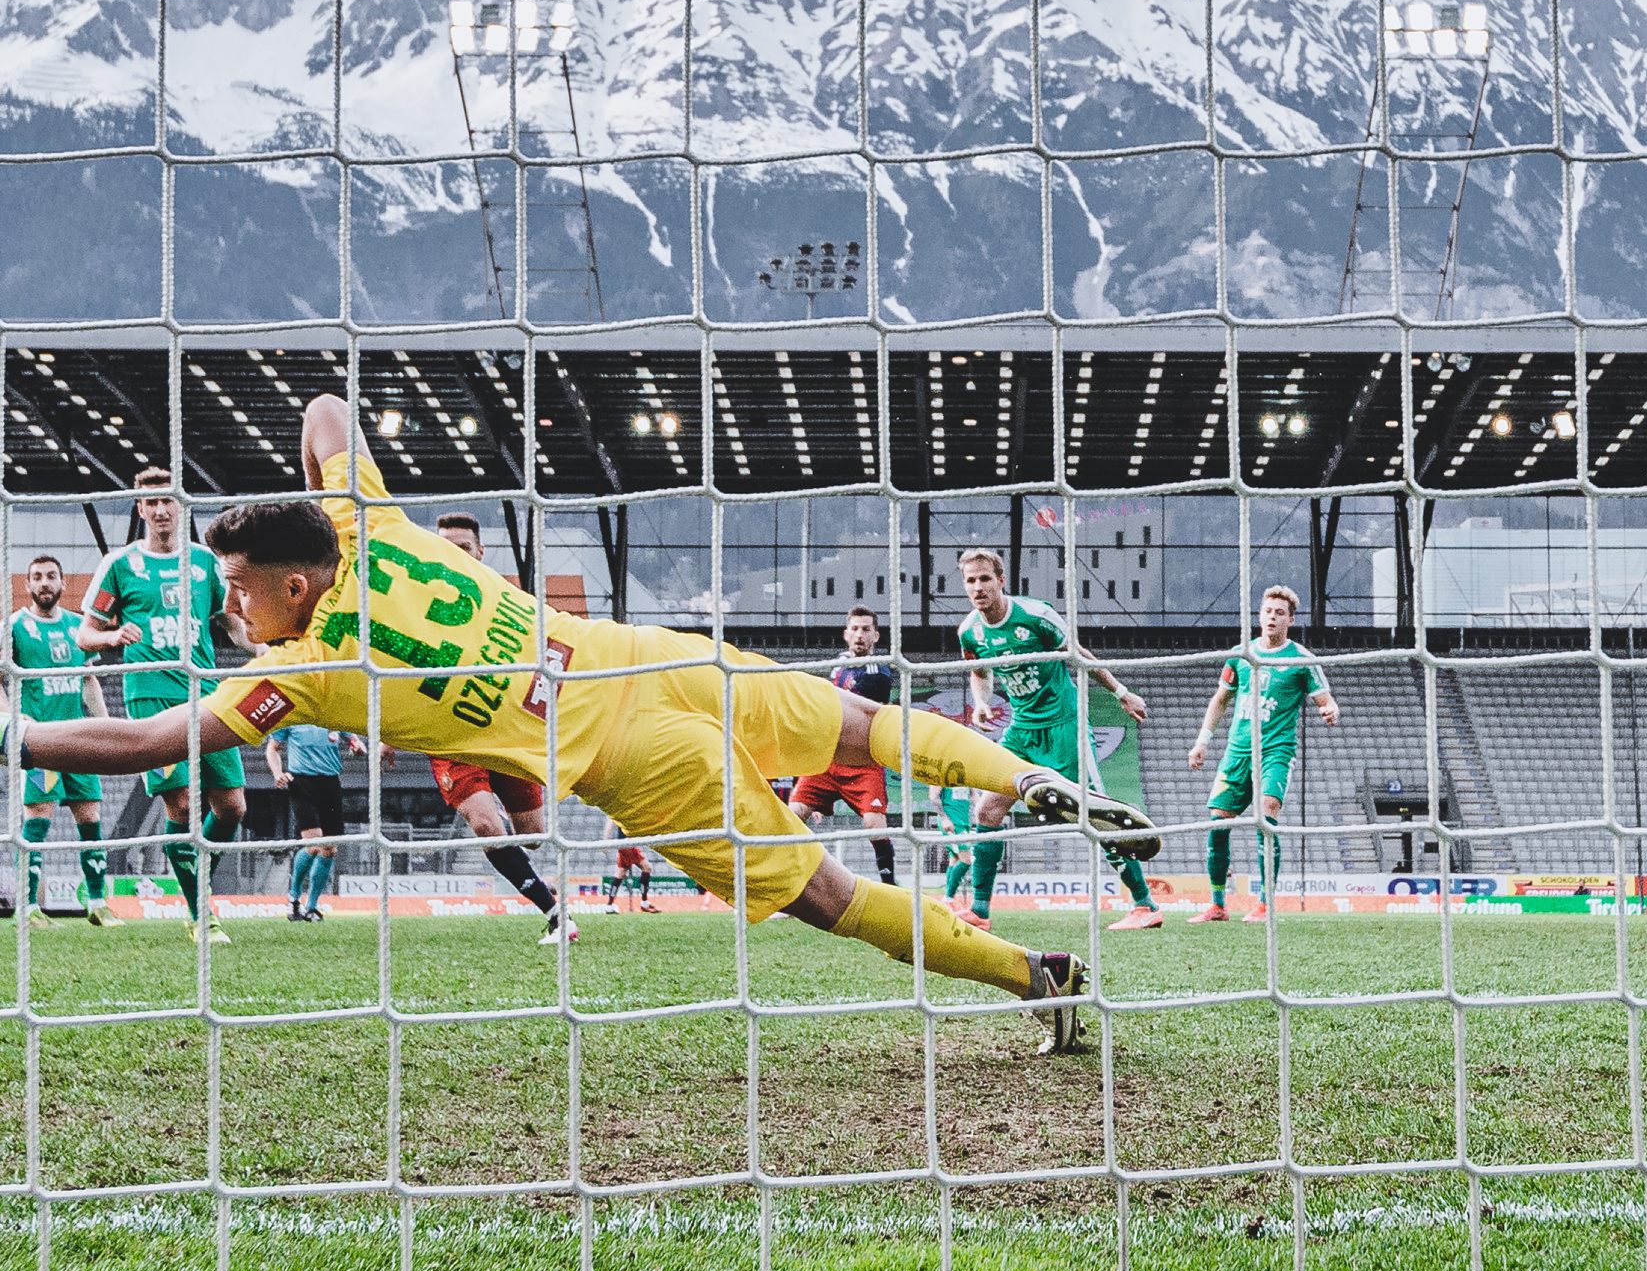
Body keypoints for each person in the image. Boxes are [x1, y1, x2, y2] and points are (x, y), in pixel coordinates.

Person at [17, 397, 1155, 1053]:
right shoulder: (374, 523)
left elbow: (151, 741)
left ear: (299, 588)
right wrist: (320, 499)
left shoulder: (308, 671)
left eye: (243, 587)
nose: (231, 604)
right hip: (637, 655)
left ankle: (1033, 976)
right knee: (860, 724)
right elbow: (323, 412)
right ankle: (1024, 774)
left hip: (623, 757)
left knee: (825, 896)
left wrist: (16, 734)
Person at [952, 548, 1163, 934]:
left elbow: (1079, 654)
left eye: (985, 578)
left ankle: (1144, 904)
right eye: (970, 580)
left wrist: (1121, 693)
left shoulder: (1035, 615)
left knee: (1095, 816)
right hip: (1021, 731)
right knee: (986, 811)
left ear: (1001, 580)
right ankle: (979, 911)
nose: (978, 586)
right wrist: (981, 702)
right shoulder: (969, 631)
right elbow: (979, 671)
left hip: (1065, 724)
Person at [76, 466, 246, 943]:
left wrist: (260, 645)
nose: (160, 509)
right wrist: (113, 634)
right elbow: (84, 634)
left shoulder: (206, 562)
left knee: (232, 807)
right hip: (150, 695)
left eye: (167, 500)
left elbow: (229, 621)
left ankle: (196, 878)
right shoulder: (120, 564)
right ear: (140, 508)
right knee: (184, 802)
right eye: (150, 502)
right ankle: (202, 916)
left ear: (180, 504)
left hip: (209, 693)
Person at [424, 512, 569, 946]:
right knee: (487, 826)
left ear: (480, 552)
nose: (454, 555)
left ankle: (538, 883)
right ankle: (556, 914)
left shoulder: (509, 602)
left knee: (534, 837)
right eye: (445, 547)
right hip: (450, 733)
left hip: (503, 727)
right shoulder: (420, 605)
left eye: (463, 547)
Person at [1187, 585, 1339, 922]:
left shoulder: (1301, 658)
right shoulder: (1241, 654)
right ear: (1259, 615)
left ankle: (1265, 904)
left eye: (1279, 613)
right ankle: (1217, 905)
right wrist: (1202, 741)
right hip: (1237, 752)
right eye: (1268, 611)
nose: (1272, 617)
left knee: (1267, 815)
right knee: (1217, 824)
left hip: (1276, 752)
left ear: (1290, 619)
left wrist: (1331, 710)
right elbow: (1220, 699)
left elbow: (1325, 699)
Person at [10, 555, 109, 923]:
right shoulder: (15, 627)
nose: (44, 582)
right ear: (28, 585)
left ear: (63, 584)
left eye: (51, 576)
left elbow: (87, 680)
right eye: (37, 577)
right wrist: (11, 718)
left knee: (91, 816)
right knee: (38, 818)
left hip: (79, 739)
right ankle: (30, 907)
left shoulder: (76, 626)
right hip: (41, 742)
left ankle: (98, 904)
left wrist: (106, 724)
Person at [790, 605, 900, 885]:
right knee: (792, 817)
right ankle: (794, 886)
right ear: (845, 634)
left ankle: (890, 887)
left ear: (876, 636)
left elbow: (849, 710)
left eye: (866, 629)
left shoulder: (878, 672)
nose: (860, 635)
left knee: (874, 825)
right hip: (827, 761)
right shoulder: (838, 663)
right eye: (855, 629)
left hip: (863, 763)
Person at [266, 720, 349, 921]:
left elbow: (352, 737)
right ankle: (294, 899)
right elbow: (272, 748)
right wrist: (278, 773)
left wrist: (356, 745)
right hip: (301, 782)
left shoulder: (333, 712)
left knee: (329, 849)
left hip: (330, 782)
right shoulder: (295, 716)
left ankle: (312, 906)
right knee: (313, 844)